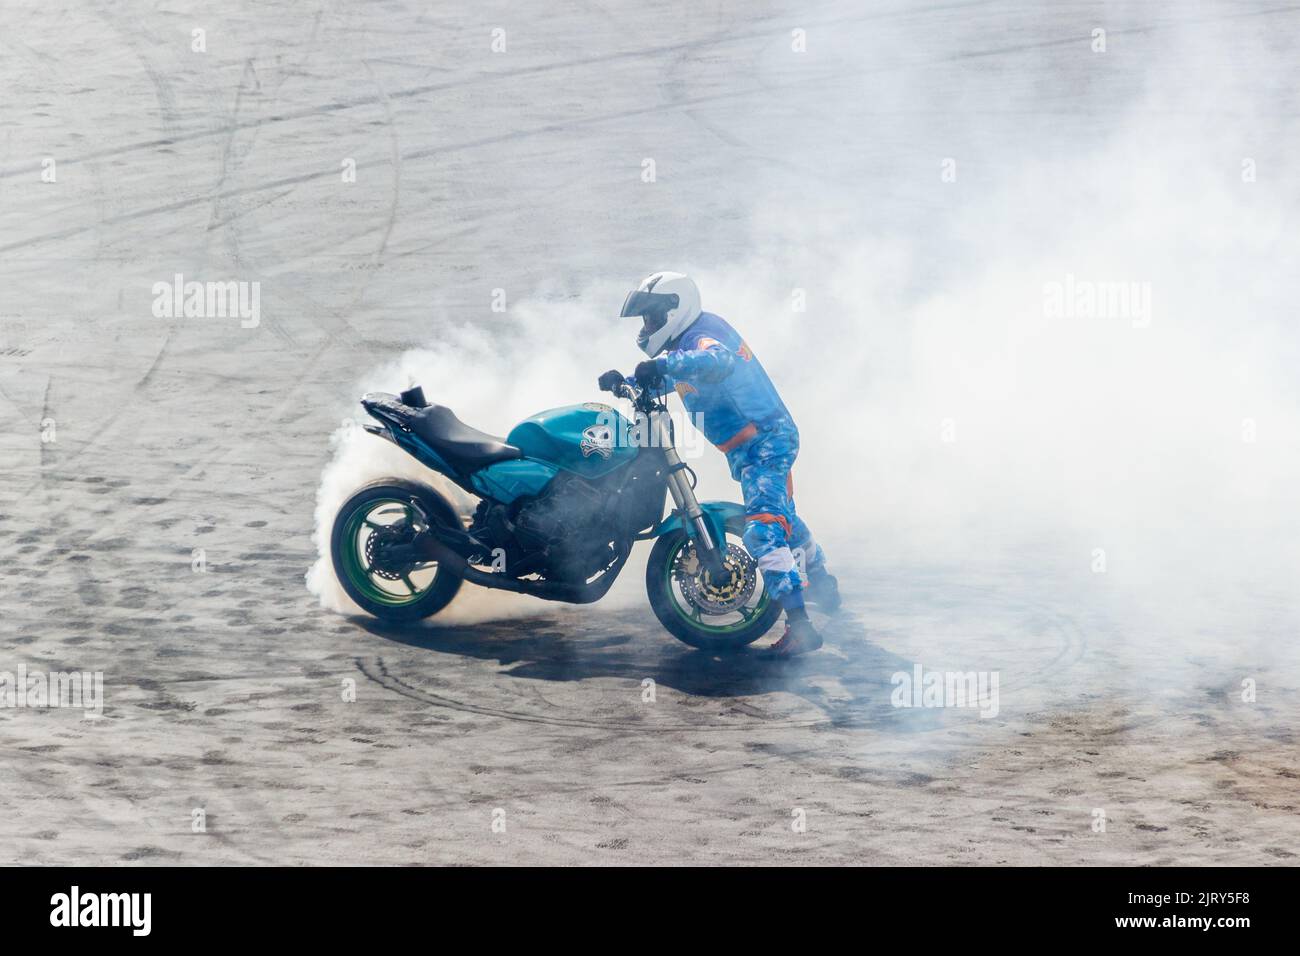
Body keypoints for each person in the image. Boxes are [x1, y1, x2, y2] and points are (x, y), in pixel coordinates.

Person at [598, 271, 840, 658]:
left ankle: (800, 626)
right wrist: (625, 381)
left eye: (653, 317)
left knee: (761, 531)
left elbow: (716, 360)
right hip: (750, 447)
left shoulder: (704, 336)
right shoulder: (682, 347)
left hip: (766, 441)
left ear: (675, 309)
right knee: (782, 517)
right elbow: (675, 379)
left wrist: (662, 367)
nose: (649, 327)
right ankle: (824, 585)